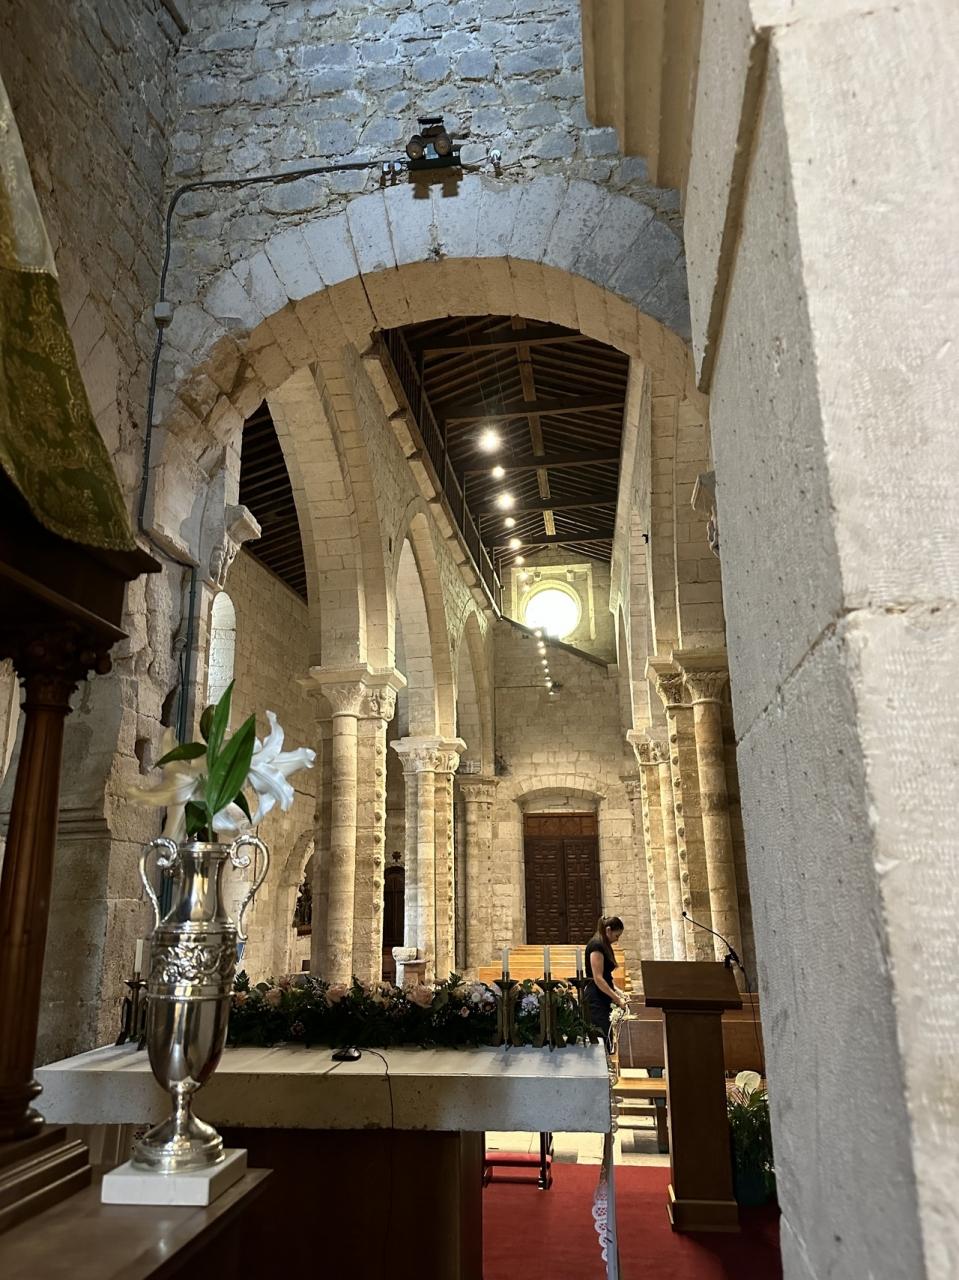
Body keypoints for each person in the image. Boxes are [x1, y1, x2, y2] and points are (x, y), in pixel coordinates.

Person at [585, 914, 627, 1048]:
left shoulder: (603, 944)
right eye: (616, 936)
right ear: (608, 930)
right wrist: (617, 999)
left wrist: (618, 991)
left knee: (607, 1037)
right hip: (596, 998)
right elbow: (598, 978)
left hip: (602, 996)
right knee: (601, 1038)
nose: (617, 939)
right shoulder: (596, 945)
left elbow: (606, 976)